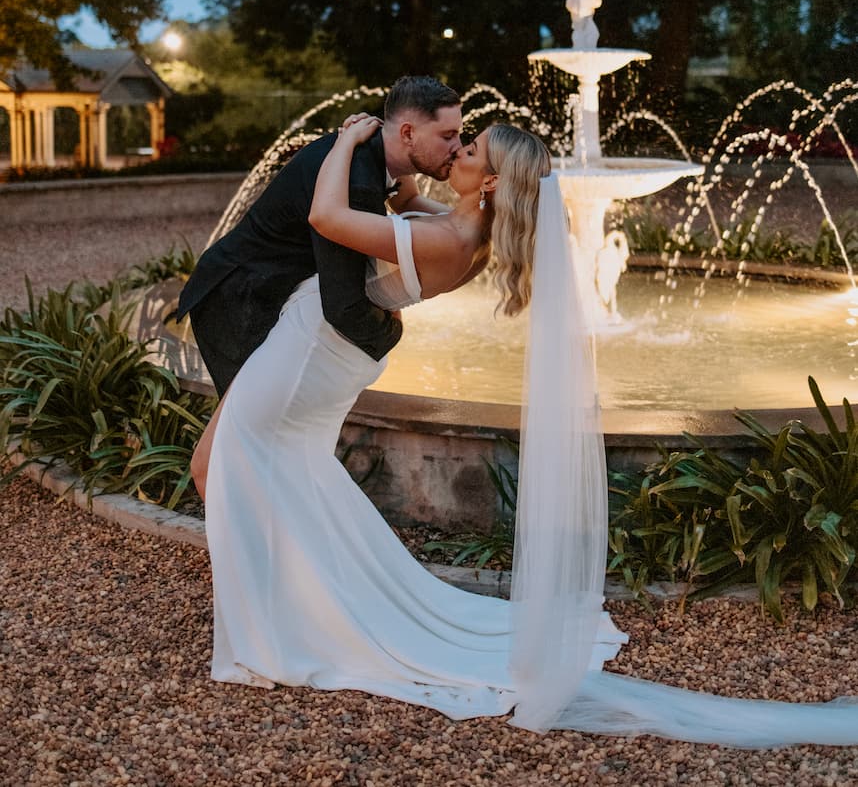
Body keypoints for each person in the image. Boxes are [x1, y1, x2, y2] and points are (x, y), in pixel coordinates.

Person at [204, 116, 858, 746]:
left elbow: (328, 219)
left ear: (489, 183)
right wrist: (402, 176)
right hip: (325, 352)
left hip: (308, 351)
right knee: (286, 469)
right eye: (461, 141)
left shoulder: (445, 238)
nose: (458, 151)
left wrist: (346, 141)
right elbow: (406, 205)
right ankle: (297, 597)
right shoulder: (465, 228)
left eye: (472, 151)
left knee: (246, 458)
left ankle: (287, 618)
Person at [176, 76, 463, 498]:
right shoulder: (356, 179)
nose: (457, 146)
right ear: (407, 133)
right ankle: (248, 551)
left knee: (259, 448)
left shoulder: (378, 154)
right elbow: (343, 304)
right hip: (241, 299)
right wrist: (393, 331)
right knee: (234, 449)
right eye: (449, 135)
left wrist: (479, 222)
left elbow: (406, 204)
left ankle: (266, 546)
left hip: (271, 294)